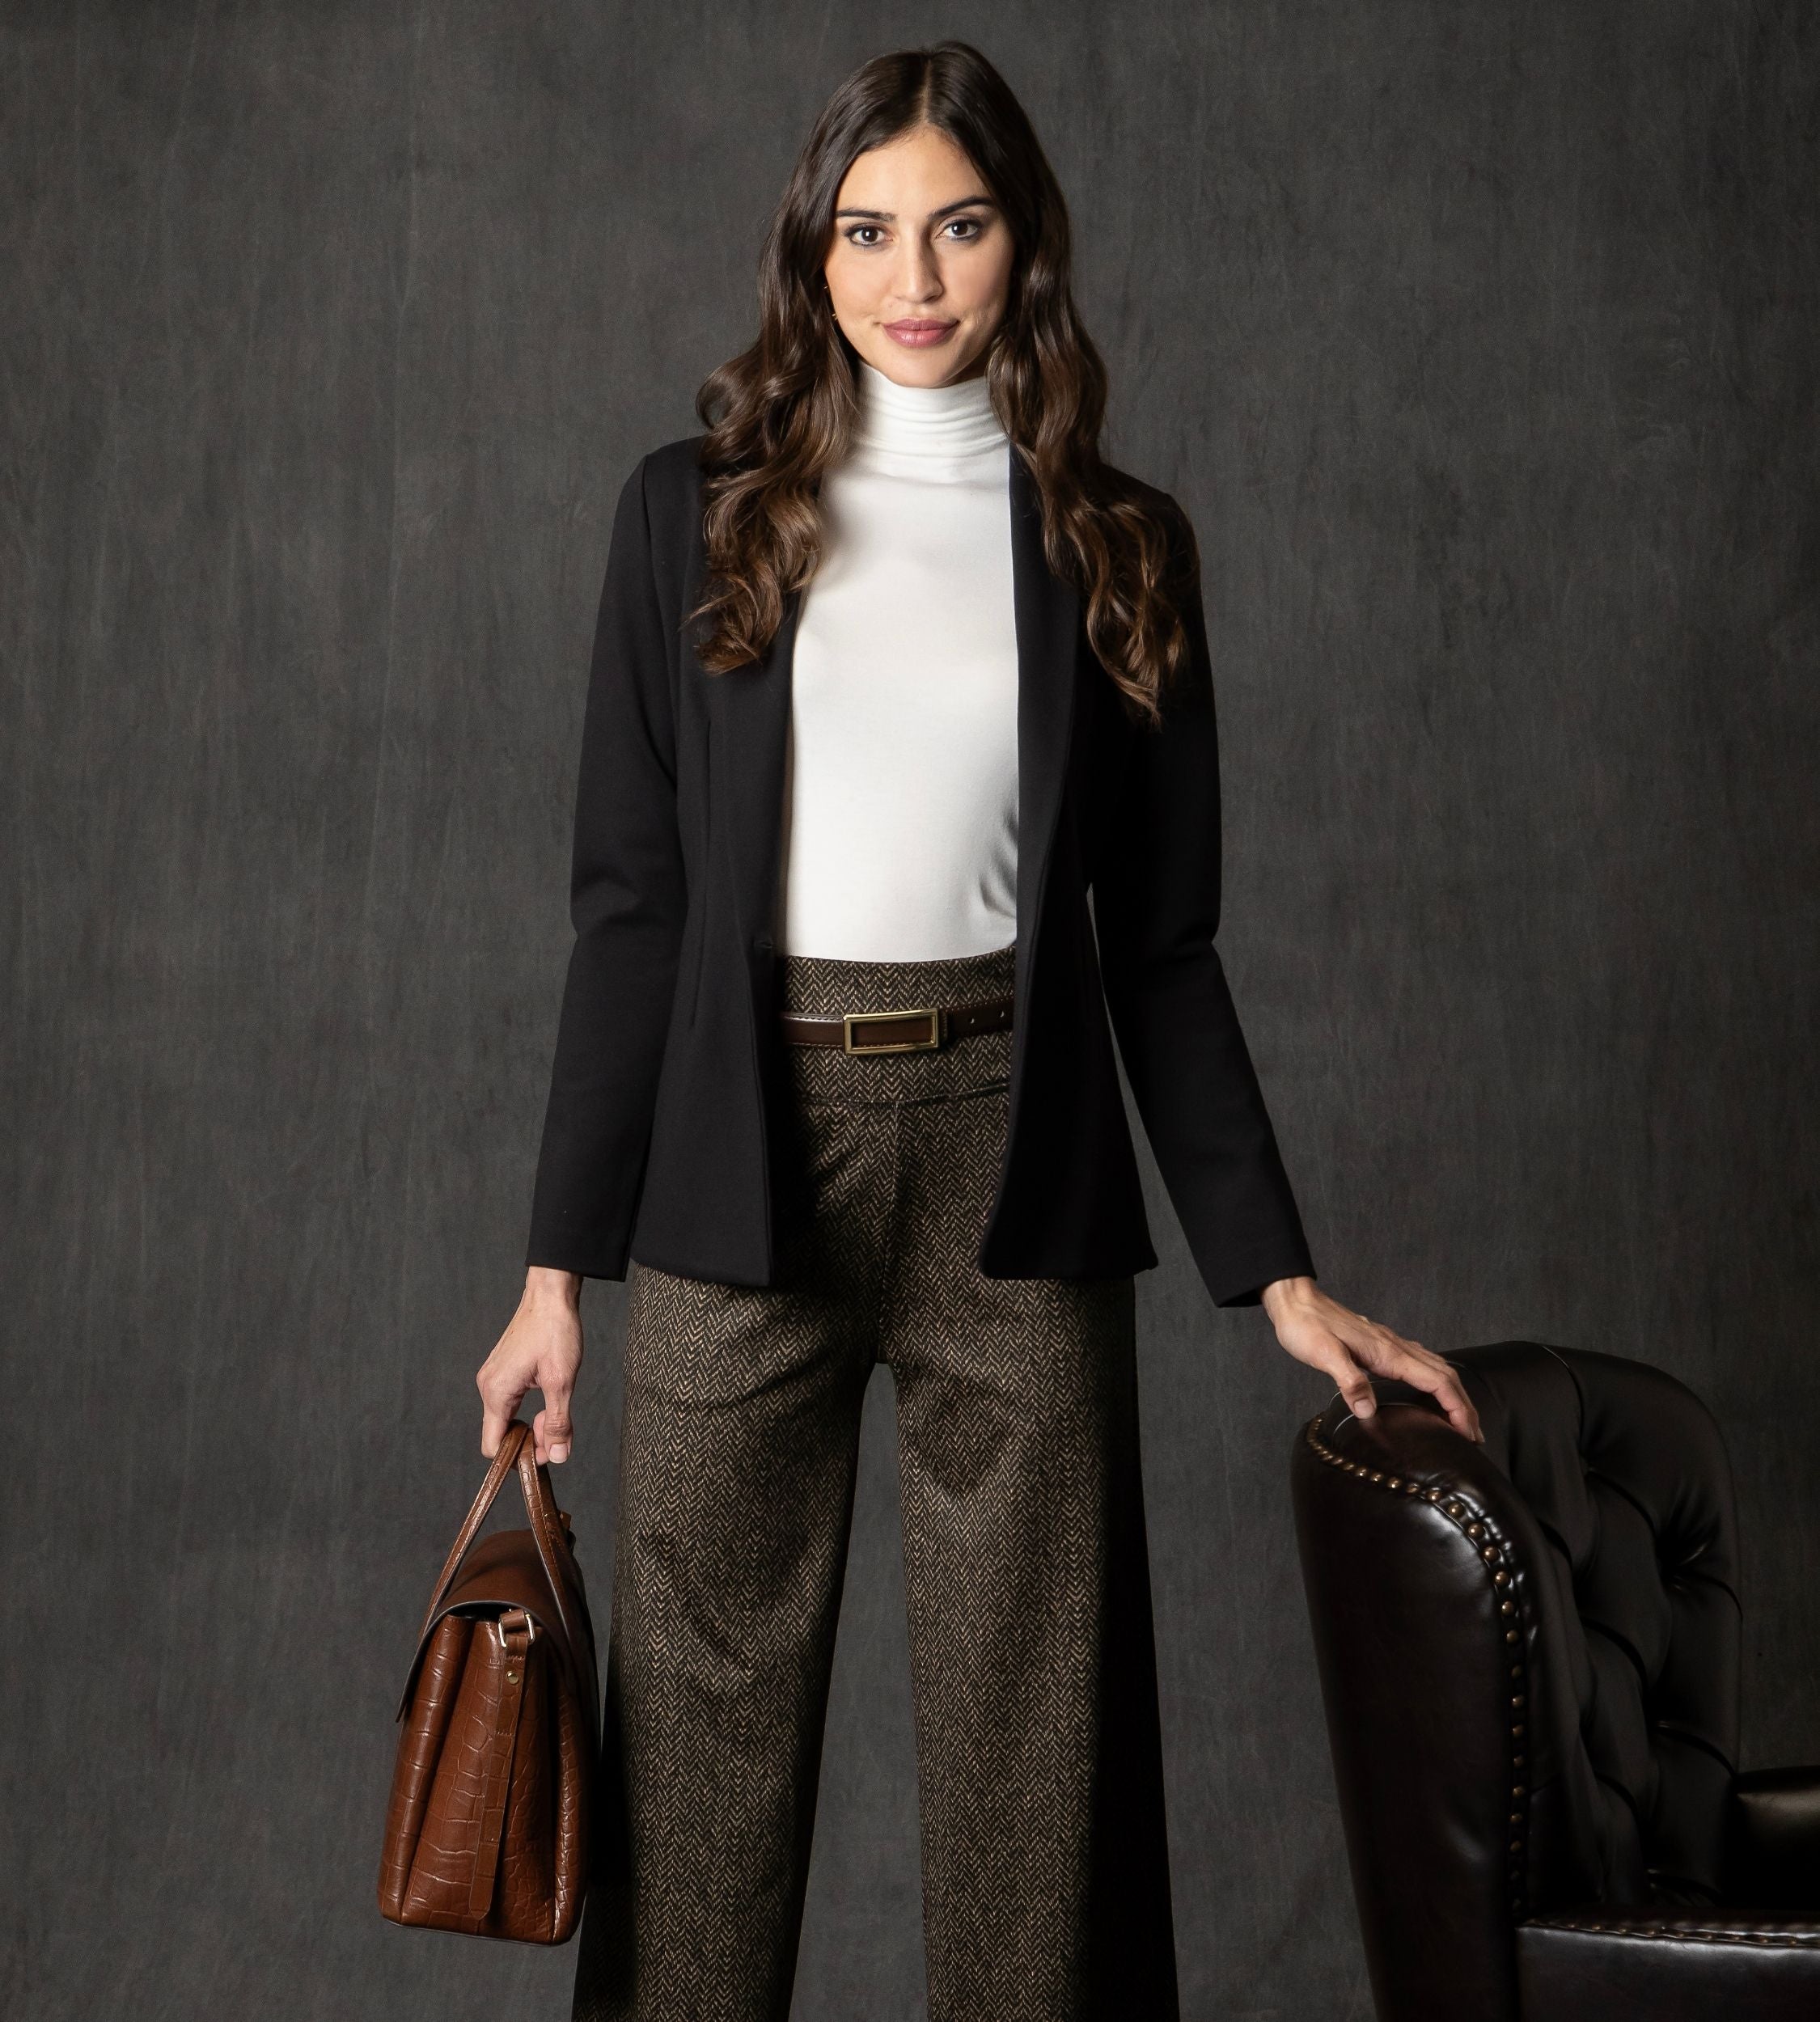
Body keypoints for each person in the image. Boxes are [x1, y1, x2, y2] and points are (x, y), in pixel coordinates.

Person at [476, 39, 1484, 2022]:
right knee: (694, 1776)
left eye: (958, 221)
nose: (910, 273)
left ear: (1025, 245)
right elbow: (633, 913)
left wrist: (1277, 1274)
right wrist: (550, 1274)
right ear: (811, 249)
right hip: (738, 1154)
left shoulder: (1117, 540)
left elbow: (1164, 948)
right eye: (866, 229)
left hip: (1018, 1160)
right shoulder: (689, 517)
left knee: (1045, 1779)